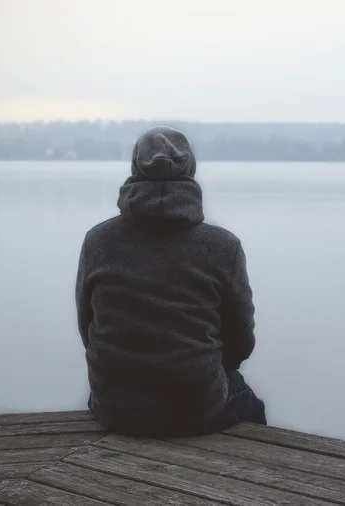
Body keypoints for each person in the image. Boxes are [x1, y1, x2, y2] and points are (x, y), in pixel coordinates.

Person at [75, 126, 266, 436]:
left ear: (136, 168)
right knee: (250, 405)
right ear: (190, 169)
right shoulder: (223, 246)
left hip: (114, 406)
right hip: (197, 408)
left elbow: (88, 327)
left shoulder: (97, 241)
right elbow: (241, 340)